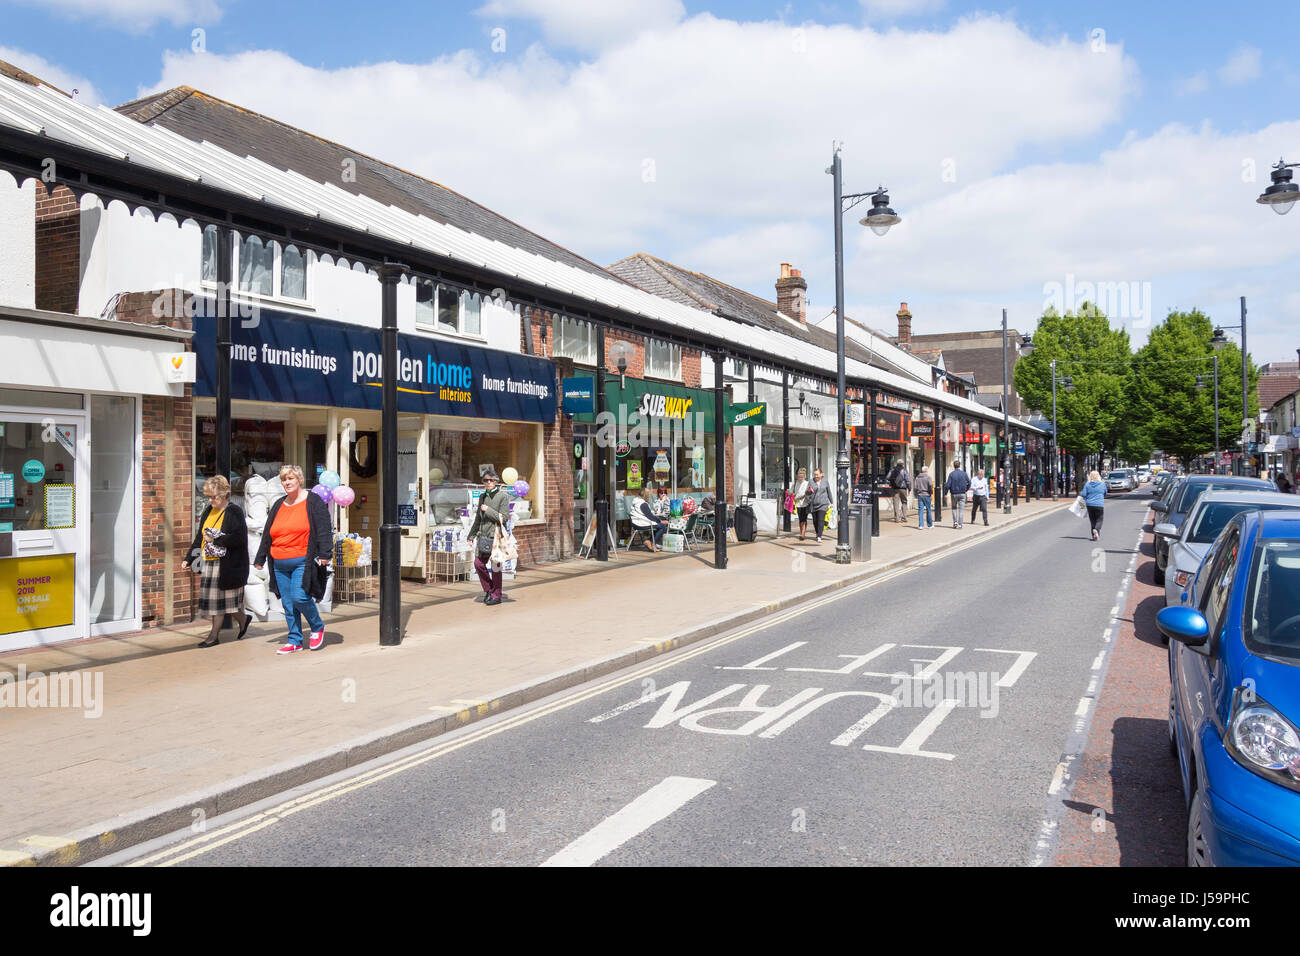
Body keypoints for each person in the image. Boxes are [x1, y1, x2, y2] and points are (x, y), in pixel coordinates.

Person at [253, 465, 333, 654]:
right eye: (284, 479)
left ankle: (317, 626)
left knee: (299, 597)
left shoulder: (313, 501)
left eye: (291, 479)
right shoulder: (279, 504)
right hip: (279, 563)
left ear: (299, 480)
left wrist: (325, 554)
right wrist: (260, 557)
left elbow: (323, 528)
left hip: (301, 561)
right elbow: (268, 533)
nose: (287, 482)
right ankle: (295, 640)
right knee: (288, 604)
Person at [182, 475, 251, 648]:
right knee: (217, 603)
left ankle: (215, 635)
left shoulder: (234, 511)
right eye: (209, 496)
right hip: (210, 562)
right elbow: (200, 537)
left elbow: (239, 538)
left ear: (224, 494)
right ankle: (234, 624)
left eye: (214, 496)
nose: (211, 500)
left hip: (228, 564)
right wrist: (189, 558)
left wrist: (216, 541)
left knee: (226, 603)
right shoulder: (208, 510)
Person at [469, 468, 511, 603]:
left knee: (496, 567)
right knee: (478, 564)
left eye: (491, 480)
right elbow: (478, 519)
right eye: (485, 480)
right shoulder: (482, 496)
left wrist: (488, 510)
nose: (488, 482)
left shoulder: (502, 496)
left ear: (496, 482)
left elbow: (504, 518)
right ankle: (489, 590)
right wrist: (471, 536)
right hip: (483, 536)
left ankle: (496, 596)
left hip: (496, 537)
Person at [1081, 469, 1107, 541]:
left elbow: (1083, 494)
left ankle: (1094, 536)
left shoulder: (1087, 484)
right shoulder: (1102, 484)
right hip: (1099, 504)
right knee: (1099, 519)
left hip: (1089, 504)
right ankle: (1096, 530)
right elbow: (1105, 493)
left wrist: (1087, 498)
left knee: (1092, 520)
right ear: (1098, 476)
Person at [808, 468, 833, 543]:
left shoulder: (825, 481)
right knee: (815, 521)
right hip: (814, 504)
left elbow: (829, 492)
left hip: (823, 504)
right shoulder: (811, 482)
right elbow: (807, 494)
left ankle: (819, 536)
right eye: (815, 474)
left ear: (821, 474)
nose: (816, 476)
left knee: (820, 520)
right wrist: (808, 492)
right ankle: (817, 532)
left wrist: (831, 502)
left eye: (817, 474)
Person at [945, 461, 970, 529]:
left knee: (954, 508)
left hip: (954, 494)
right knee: (961, 510)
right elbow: (969, 482)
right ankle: (960, 525)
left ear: (954, 466)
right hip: (962, 493)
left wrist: (945, 493)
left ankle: (955, 522)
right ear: (959, 465)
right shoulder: (964, 474)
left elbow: (948, 485)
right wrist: (966, 490)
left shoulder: (951, 474)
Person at [887, 459, 911, 523]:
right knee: (904, 502)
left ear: (897, 463)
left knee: (896, 503)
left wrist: (892, 482)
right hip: (903, 488)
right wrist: (909, 488)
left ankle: (897, 518)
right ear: (903, 464)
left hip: (895, 488)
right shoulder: (904, 470)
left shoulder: (893, 469)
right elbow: (908, 480)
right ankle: (904, 517)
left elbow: (888, 477)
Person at [793, 467, 811, 540]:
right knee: (800, 519)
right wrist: (789, 492)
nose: (800, 478)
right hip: (798, 504)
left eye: (801, 477)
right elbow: (792, 491)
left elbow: (805, 493)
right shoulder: (795, 484)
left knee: (804, 518)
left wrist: (796, 497)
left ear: (804, 477)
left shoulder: (807, 483)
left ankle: (803, 533)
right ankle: (801, 532)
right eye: (799, 477)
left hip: (805, 503)